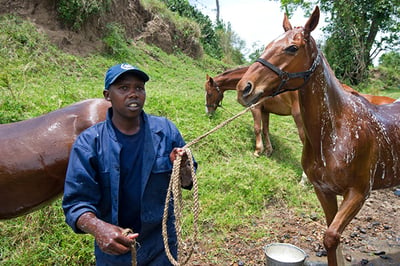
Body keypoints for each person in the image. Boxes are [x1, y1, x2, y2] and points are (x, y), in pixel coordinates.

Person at [62, 63, 196, 265]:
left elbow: (187, 182)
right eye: (124, 88)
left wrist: (184, 166)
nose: (133, 94)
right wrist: (99, 229)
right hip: (114, 246)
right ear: (107, 95)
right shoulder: (90, 143)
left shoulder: (166, 131)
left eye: (139, 88)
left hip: (160, 244)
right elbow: (76, 204)